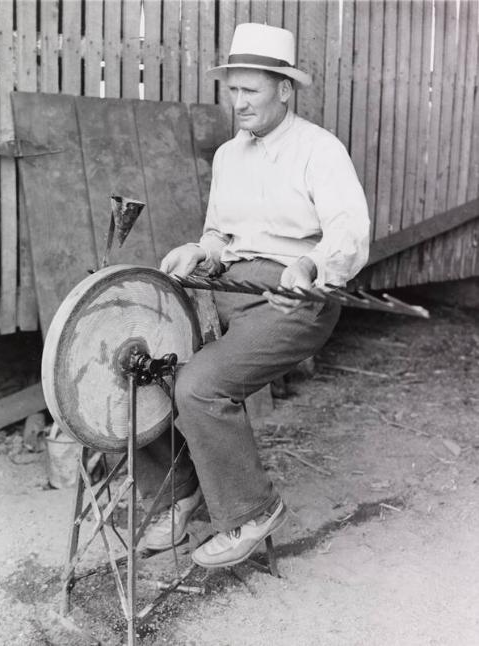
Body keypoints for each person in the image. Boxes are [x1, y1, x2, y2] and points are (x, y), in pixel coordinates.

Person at [137, 22, 370, 568]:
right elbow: (223, 233)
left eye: (250, 91)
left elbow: (350, 232)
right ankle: (179, 494)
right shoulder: (228, 156)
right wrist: (202, 250)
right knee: (143, 371)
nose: (237, 102)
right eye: (233, 90)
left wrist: (311, 265)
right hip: (230, 289)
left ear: (284, 88)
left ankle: (251, 510)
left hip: (297, 300)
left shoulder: (320, 150)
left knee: (198, 386)